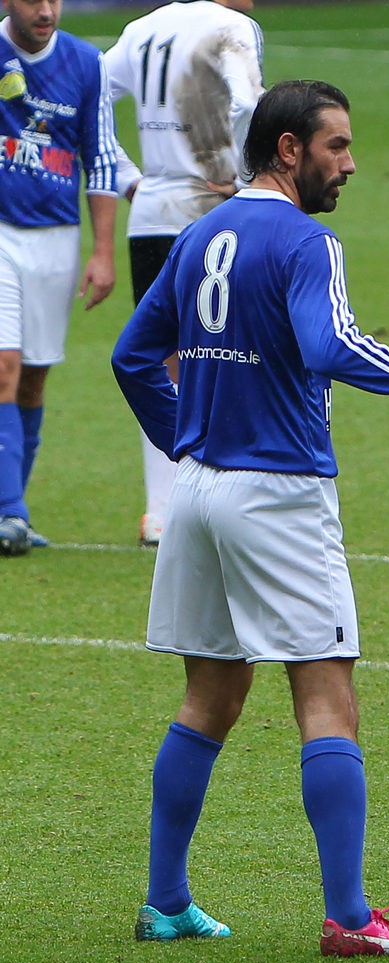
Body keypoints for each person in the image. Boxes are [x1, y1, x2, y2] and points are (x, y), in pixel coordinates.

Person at [111, 79, 389, 956]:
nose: (350, 163)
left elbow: (131, 356)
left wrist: (190, 441)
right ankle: (348, 917)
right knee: (329, 694)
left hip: (197, 494)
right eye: (336, 146)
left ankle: (165, 901)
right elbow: (331, 346)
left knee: (210, 695)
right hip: (280, 494)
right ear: (290, 150)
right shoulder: (309, 241)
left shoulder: (199, 234)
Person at [103, 0, 264, 546]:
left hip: (151, 214)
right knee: (226, 352)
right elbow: (245, 102)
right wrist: (248, 178)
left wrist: (126, 177)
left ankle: (161, 512)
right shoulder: (231, 27)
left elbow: (91, 95)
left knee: (161, 361)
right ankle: (220, 497)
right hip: (215, 214)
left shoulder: (143, 27)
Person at [0, 0, 117, 556]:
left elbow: (100, 160)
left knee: (33, 378)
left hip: (56, 238)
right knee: (4, 363)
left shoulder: (87, 63)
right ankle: (10, 511)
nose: (45, 10)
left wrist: (102, 252)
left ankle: (9, 509)